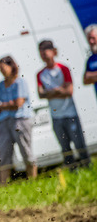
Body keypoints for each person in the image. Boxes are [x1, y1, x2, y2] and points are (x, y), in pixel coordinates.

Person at [37, 40, 91, 168]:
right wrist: (58, 90)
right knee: (65, 149)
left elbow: (69, 91)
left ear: (53, 51)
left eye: (45, 51)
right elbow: (41, 94)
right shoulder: (40, 74)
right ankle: (72, 171)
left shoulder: (63, 68)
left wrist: (51, 92)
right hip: (56, 117)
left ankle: (88, 169)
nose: (43, 54)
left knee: (80, 145)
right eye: (41, 52)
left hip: (70, 114)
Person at [0, 56, 37, 186]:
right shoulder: (1, 85)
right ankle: (3, 186)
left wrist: (2, 105)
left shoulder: (20, 83)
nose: (2, 71)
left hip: (20, 120)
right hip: (5, 122)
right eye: (0, 69)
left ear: (11, 66)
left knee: (26, 151)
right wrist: (9, 104)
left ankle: (33, 182)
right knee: (3, 154)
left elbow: (18, 104)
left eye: (3, 68)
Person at [83, 24, 97, 97]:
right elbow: (85, 80)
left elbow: (89, 76)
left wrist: (91, 76)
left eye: (93, 38)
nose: (91, 41)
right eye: (89, 39)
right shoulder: (91, 59)